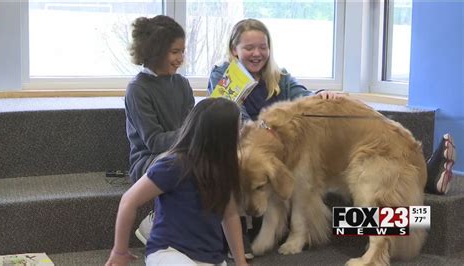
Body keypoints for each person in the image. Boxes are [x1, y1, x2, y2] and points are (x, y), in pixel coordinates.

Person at [207, 18, 457, 258]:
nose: (257, 53)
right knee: (341, 202)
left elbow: (301, 94)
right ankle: (421, 179)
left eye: (263, 47)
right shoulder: (224, 77)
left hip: (290, 159)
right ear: (234, 49)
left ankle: (420, 176)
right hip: (250, 154)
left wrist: (321, 94)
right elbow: (229, 118)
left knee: (353, 197)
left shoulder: (277, 76)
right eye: (249, 47)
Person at [105, 98, 248, 266]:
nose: (241, 132)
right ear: (221, 136)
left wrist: (241, 262)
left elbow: (230, 215)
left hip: (209, 257)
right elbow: (128, 201)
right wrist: (119, 251)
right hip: (168, 251)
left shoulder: (225, 170)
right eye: (238, 127)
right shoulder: (174, 164)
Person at [123, 15, 194, 245]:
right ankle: (154, 220)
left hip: (181, 151)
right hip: (148, 160)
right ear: (156, 51)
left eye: (182, 51)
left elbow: (191, 122)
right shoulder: (138, 89)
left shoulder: (182, 84)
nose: (180, 59)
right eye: (175, 52)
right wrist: (193, 134)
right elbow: (153, 141)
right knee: (179, 161)